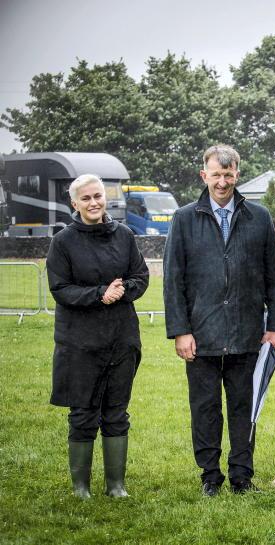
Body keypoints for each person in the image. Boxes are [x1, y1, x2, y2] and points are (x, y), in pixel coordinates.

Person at [164, 144, 275, 496]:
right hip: (201, 334)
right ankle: (210, 476)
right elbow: (173, 279)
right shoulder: (184, 219)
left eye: (228, 174)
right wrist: (180, 331)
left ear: (237, 175)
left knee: (243, 407)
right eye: (216, 175)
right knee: (205, 408)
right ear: (204, 175)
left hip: (247, 332)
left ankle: (241, 476)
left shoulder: (258, 217)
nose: (222, 182)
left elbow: (273, 276)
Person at [47, 174, 150, 499]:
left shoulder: (124, 235)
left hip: (121, 339)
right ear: (74, 203)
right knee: (83, 414)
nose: (93, 203)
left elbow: (141, 276)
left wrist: (123, 290)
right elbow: (60, 289)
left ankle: (116, 485)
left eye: (98, 196)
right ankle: (81, 487)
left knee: (117, 413)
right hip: (79, 342)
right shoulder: (63, 242)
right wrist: (98, 294)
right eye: (86, 198)